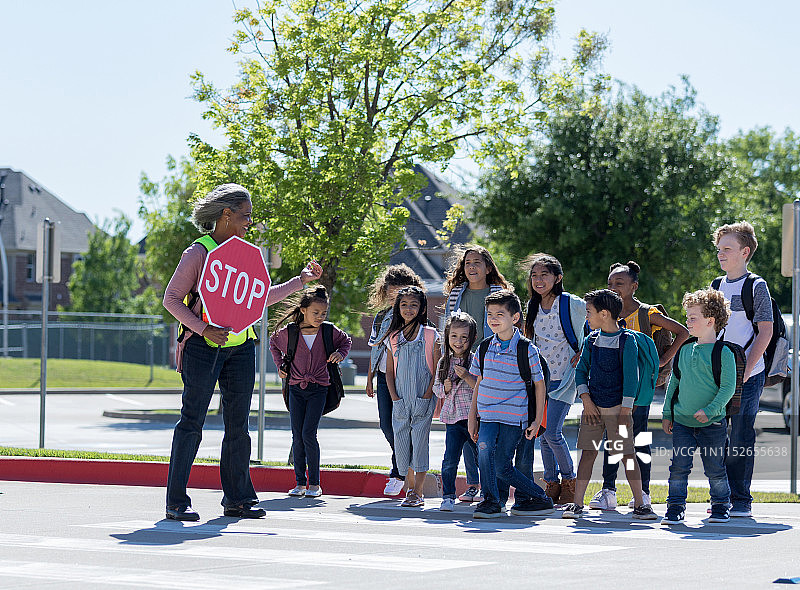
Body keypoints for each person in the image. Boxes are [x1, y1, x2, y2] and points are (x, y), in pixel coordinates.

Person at [163, 183, 322, 521]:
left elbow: (259, 299)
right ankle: (176, 501)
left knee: (238, 427)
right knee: (192, 422)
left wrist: (300, 280)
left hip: (241, 350)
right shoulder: (199, 252)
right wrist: (203, 329)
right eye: (246, 215)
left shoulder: (246, 254)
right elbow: (172, 299)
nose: (250, 222)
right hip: (202, 348)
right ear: (226, 214)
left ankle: (238, 499)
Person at [593, 260, 690, 510]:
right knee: (612, 438)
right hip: (612, 386)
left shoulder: (647, 314)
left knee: (638, 438)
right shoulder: (606, 314)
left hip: (640, 388)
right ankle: (608, 490)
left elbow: (683, 332)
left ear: (634, 286)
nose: (613, 288)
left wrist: (662, 360)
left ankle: (643, 492)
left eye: (620, 283)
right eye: (610, 283)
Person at [562, 289, 656, 520]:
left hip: (618, 410)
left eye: (589, 312)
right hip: (592, 409)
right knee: (588, 453)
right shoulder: (591, 340)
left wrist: (625, 410)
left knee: (627, 455)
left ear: (604, 314)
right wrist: (586, 400)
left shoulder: (627, 341)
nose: (587, 317)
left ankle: (641, 504)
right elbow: (581, 371)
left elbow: (631, 378)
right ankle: (577, 504)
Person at [467, 289, 555, 519]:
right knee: (484, 452)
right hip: (487, 416)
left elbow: (539, 385)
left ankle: (540, 497)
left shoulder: (527, 349)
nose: (493, 319)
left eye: (500, 314)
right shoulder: (484, 347)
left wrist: (537, 420)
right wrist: (472, 418)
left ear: (515, 317)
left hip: (513, 418)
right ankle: (491, 501)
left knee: (501, 465)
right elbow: (478, 383)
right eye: (489, 314)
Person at [712, 221, 773, 518]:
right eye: (718, 249)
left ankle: (740, 499)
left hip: (749, 373)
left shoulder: (756, 286)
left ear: (745, 252)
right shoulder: (715, 286)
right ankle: (720, 497)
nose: (721, 254)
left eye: (727, 248)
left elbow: (765, 332)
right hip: (718, 374)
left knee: (740, 436)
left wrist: (746, 371)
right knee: (715, 435)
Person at [442, 244, 511, 502]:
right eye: (467, 263)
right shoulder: (456, 293)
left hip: (490, 361)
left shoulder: (498, 293)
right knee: (466, 423)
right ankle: (473, 484)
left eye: (477, 263)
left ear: (488, 267)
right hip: (462, 360)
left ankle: (490, 484)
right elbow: (447, 328)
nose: (472, 267)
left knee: (482, 427)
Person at [662, 289, 735, 525]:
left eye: (693, 318)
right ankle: (675, 507)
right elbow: (674, 383)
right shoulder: (684, 349)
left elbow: (728, 388)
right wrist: (667, 413)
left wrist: (710, 410)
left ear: (710, 321)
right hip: (682, 422)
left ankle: (721, 505)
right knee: (679, 467)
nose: (688, 322)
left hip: (712, 424)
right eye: (687, 317)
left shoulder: (724, 353)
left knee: (715, 468)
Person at [270, 286, 351, 498]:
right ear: (304, 310)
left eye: (323, 313)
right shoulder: (290, 332)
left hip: (319, 389)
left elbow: (346, 341)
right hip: (295, 389)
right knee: (297, 435)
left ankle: (314, 484)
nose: (320, 317)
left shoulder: (328, 331)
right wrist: (280, 366)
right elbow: (273, 343)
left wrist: (340, 354)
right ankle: (300, 484)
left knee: (308, 433)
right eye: (316, 312)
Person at [520, 253, 586, 507]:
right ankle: (551, 483)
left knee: (553, 432)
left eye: (544, 275)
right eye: (534, 275)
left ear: (558, 278)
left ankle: (570, 480)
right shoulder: (532, 306)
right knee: (542, 433)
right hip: (540, 379)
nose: (538, 280)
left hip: (565, 377)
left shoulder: (571, 303)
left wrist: (584, 350)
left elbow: (598, 321)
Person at [365, 264, 425, 497]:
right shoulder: (381, 318)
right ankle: (404, 463)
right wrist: (369, 378)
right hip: (383, 377)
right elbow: (374, 348)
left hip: (407, 378)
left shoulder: (417, 318)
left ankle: (399, 473)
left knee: (402, 426)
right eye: (392, 294)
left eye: (401, 293)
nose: (397, 299)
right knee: (387, 425)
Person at [383, 286, 441, 507]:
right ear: (398, 308)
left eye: (414, 305)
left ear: (422, 308)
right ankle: (408, 488)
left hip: (423, 398)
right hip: (400, 400)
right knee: (401, 445)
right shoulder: (393, 337)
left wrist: (426, 396)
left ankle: (418, 491)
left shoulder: (430, 335)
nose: (408, 309)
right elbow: (390, 372)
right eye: (404, 304)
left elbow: (436, 369)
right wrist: (394, 398)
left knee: (419, 444)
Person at [433, 311, 479, 511]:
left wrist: (468, 376)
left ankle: (488, 493)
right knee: (450, 460)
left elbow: (481, 387)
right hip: (453, 419)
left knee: (481, 458)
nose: (458, 342)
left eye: (463, 337)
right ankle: (448, 496)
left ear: (472, 339)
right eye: (454, 336)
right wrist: (445, 388)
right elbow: (436, 389)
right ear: (447, 336)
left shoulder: (476, 360)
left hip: (474, 418)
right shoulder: (444, 362)